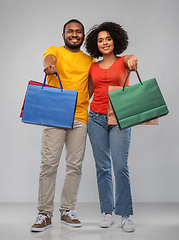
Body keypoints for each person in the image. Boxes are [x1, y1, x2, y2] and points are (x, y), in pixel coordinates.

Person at [31, 19, 95, 232]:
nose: (74, 34)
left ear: (83, 36)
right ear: (64, 35)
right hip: (55, 116)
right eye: (70, 31)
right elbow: (48, 59)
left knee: (75, 166)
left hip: (79, 118)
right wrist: (49, 66)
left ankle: (67, 210)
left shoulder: (90, 61)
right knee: (49, 164)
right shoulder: (55, 51)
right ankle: (44, 213)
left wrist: (80, 103)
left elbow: (90, 88)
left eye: (78, 32)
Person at [85, 22, 138, 232]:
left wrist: (133, 60)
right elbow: (88, 94)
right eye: (100, 40)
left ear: (115, 40)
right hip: (95, 118)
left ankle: (125, 215)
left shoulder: (125, 61)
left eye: (108, 38)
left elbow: (133, 58)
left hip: (120, 117)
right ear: (95, 45)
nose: (104, 42)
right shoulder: (93, 67)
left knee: (120, 166)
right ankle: (107, 212)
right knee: (102, 167)